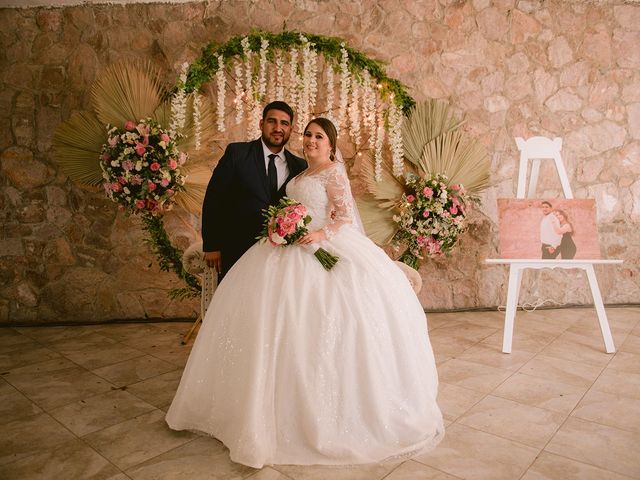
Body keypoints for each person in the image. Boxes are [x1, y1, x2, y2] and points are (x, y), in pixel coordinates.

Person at [166, 117, 444, 468]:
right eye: (309, 135)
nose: (311, 141)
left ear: (331, 145)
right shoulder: (297, 176)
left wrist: (319, 236)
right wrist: (282, 226)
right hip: (284, 248)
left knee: (326, 319)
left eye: (319, 137)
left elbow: (343, 217)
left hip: (321, 246)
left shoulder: (333, 173)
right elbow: (288, 208)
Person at [201, 101, 307, 277]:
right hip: (237, 249)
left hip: (281, 256)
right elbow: (214, 198)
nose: (278, 128)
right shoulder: (237, 153)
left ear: (291, 129)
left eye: (284, 123)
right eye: (272, 121)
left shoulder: (299, 166)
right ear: (261, 123)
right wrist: (211, 245)